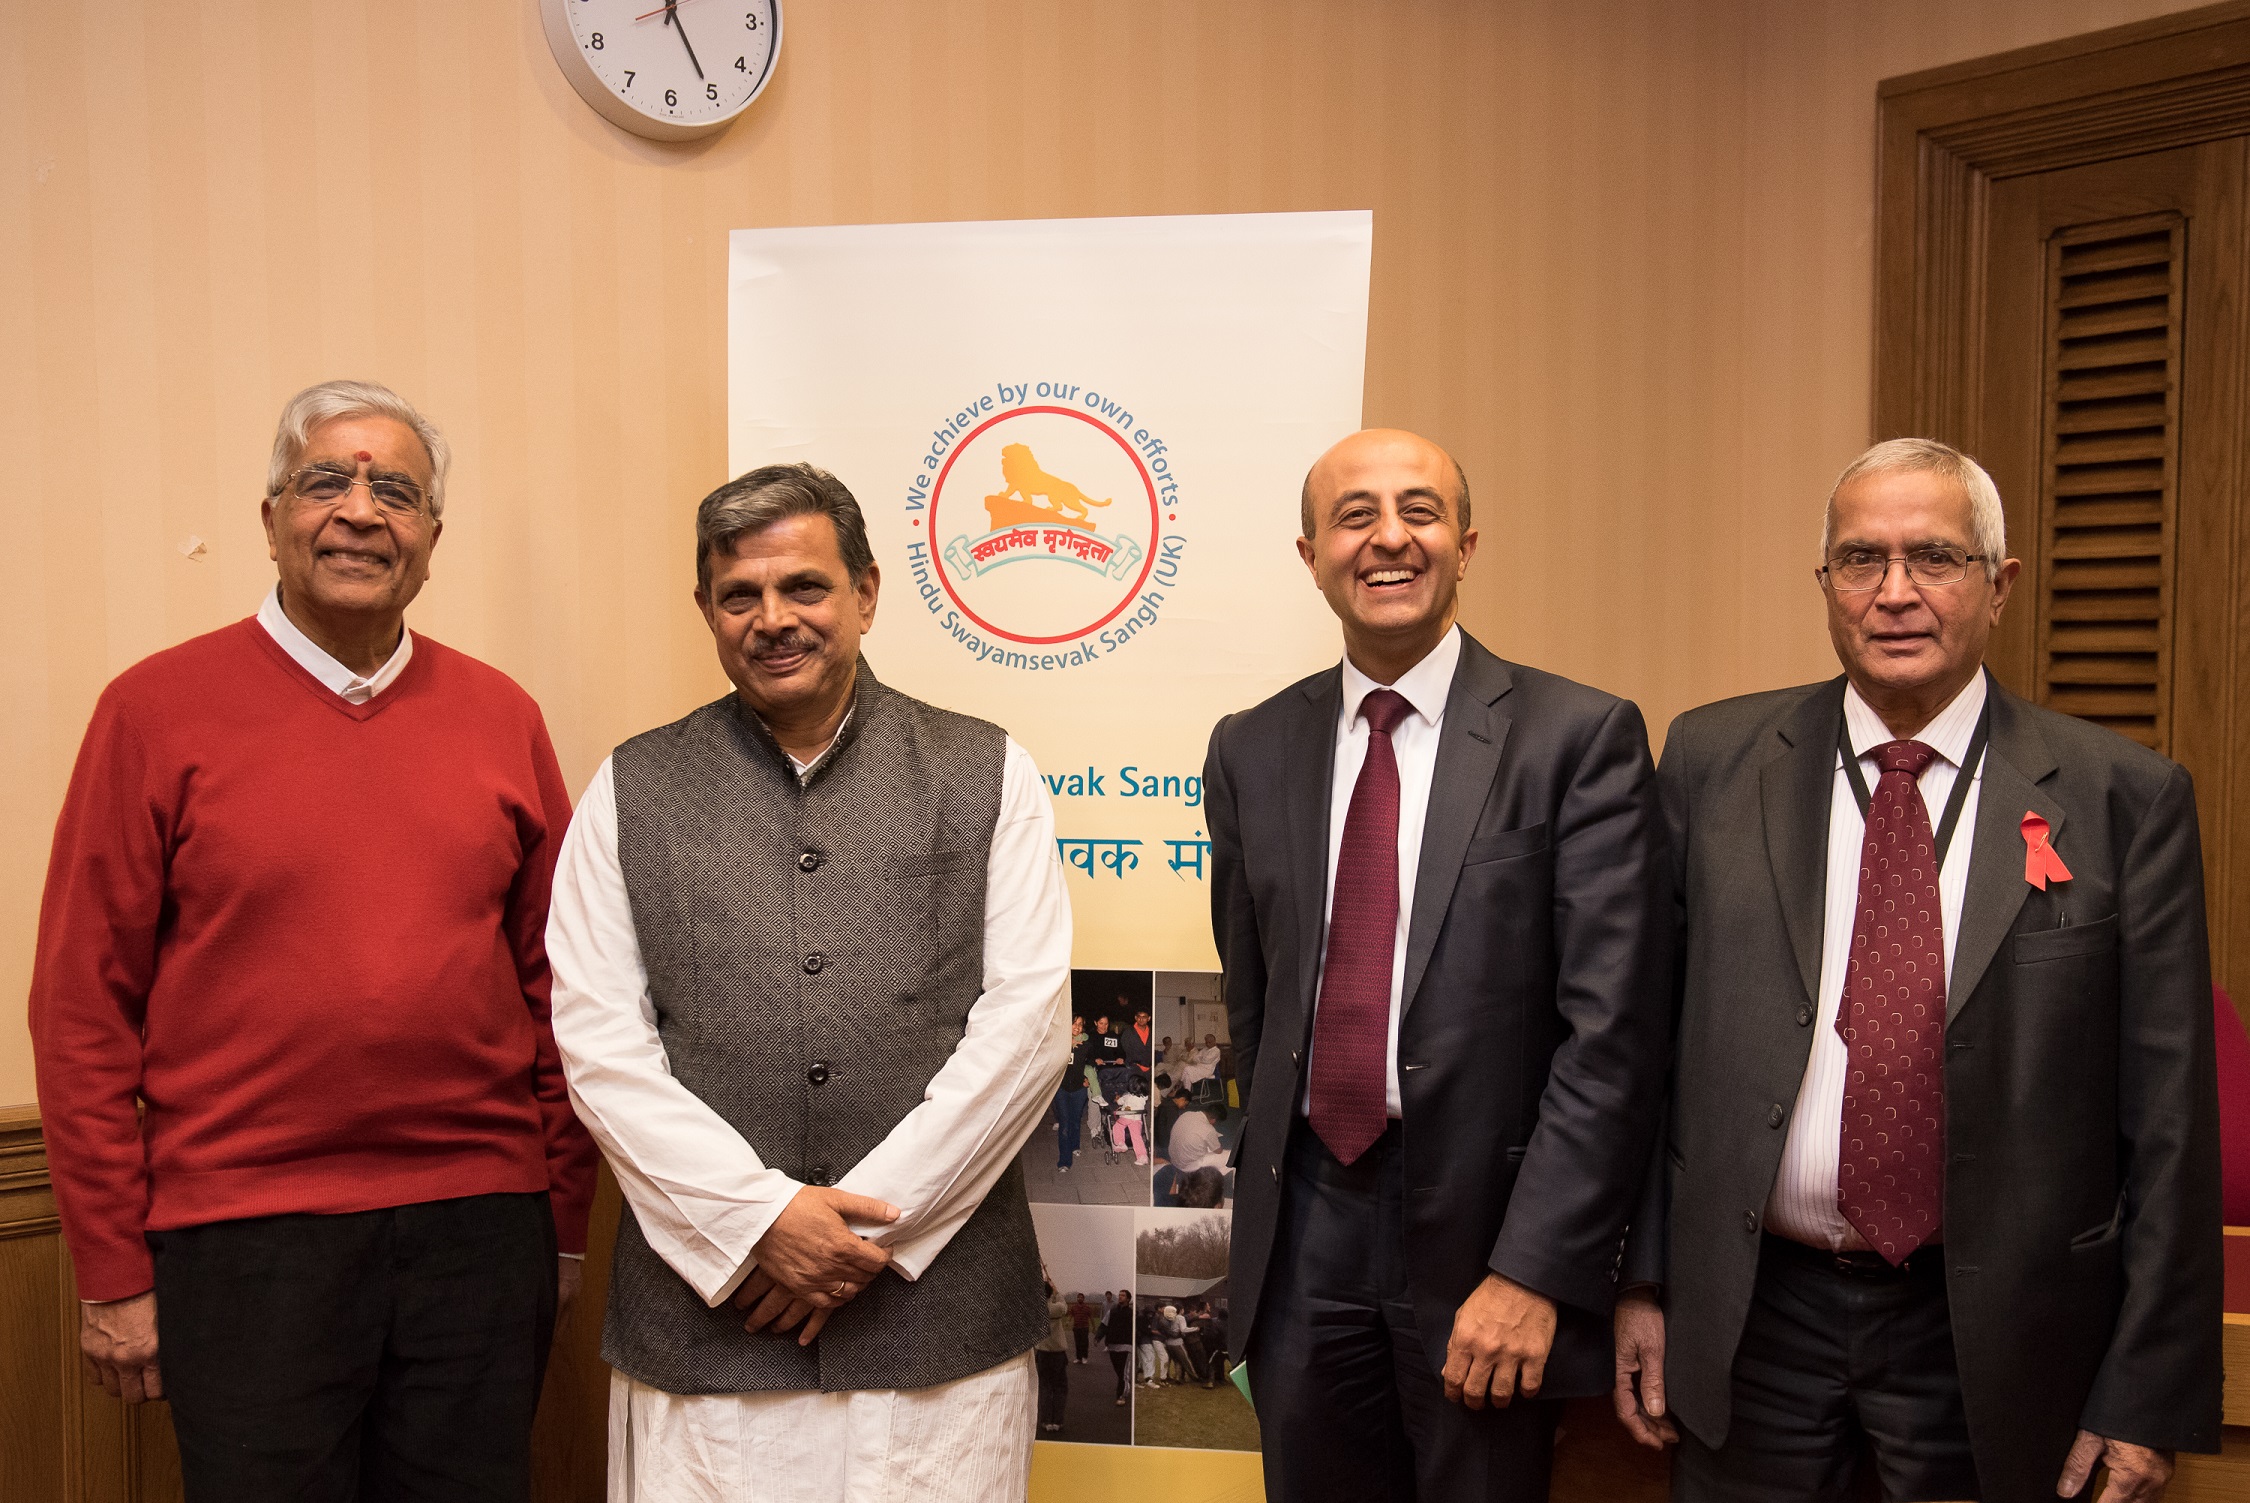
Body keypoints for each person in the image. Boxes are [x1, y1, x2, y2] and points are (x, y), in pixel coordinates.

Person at [1613, 439, 2223, 1503]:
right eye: (1862, 559)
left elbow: (2171, 1123)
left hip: (1993, 1333)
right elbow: (1643, 1050)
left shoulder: (2123, 798)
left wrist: (2147, 1389)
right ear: (1826, 583)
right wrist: (1644, 1278)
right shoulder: (1711, 762)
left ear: (2000, 584)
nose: (1894, 593)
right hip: (1755, 1320)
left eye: (1934, 557)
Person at [29, 379, 600, 1501]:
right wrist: (110, 1268)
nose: (361, 511)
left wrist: (564, 1224)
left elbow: (564, 989)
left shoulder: (503, 716)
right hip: (244, 1243)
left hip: (481, 1236)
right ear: (271, 518)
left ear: (432, 537)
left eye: (398, 492)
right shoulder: (151, 711)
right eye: (325, 481)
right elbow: (81, 1007)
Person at [546, 462, 1072, 1502]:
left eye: (804, 587)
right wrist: (757, 1224)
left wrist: (858, 1234)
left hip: (940, 1328)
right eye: (739, 595)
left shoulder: (987, 769)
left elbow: (1027, 1028)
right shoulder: (631, 786)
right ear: (706, 609)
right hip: (711, 1324)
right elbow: (600, 1044)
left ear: (866, 593)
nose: (773, 619)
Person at [1206, 428, 1672, 1501]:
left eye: (1419, 511)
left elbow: (1614, 1037)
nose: (1389, 538)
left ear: (1466, 545)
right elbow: (1255, 996)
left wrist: (1534, 1268)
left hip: (1487, 1232)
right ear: (1310, 555)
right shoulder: (1251, 746)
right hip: (1306, 1225)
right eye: (1354, 516)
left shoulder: (1577, 738)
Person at [1055, 1016, 1090, 1173]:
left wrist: (1088, 1078)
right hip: (1061, 1089)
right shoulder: (1058, 1044)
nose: (1077, 1027)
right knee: (1065, 1124)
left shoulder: (1085, 1045)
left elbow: (1090, 1064)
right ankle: (1064, 1161)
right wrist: (1068, 1045)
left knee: (1075, 1120)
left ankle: (1075, 1145)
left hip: (1079, 1089)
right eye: (1074, 1023)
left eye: (1080, 1024)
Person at [1036, 1277, 1071, 1436]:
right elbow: (1064, 1306)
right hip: (1057, 1354)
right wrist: (1056, 1291)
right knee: (1060, 1387)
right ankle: (1057, 1421)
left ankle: (1045, 1421)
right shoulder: (1056, 1308)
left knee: (1045, 1387)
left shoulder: (1036, 1309)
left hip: (1043, 1353)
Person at [1168, 1104, 1231, 1176]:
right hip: (1187, 1166)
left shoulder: (1186, 1114)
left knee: (1204, 1143)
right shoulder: (1209, 1130)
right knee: (1230, 1155)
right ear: (1213, 1120)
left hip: (1174, 1158)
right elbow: (1218, 1151)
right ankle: (1211, 1175)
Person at [1104, 1291, 1137, 1404]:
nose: (1120, 1297)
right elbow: (1104, 1324)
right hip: (1113, 1345)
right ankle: (1125, 1385)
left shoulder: (1131, 1313)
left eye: (1123, 1295)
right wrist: (1098, 1337)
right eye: (1119, 1295)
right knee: (1119, 1371)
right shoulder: (1112, 1311)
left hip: (1126, 1345)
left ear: (1128, 1299)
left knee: (1123, 1372)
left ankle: (1121, 1395)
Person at [1069, 1291, 1095, 1364]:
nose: (1079, 1298)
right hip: (1076, 1327)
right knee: (1077, 1343)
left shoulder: (1087, 1308)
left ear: (1083, 1299)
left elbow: (1091, 1317)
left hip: (1084, 1327)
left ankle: (1084, 1357)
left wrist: (1093, 1326)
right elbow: (1071, 1315)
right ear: (1077, 1298)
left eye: (1081, 1297)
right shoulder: (1074, 1307)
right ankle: (1078, 1358)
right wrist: (1068, 1321)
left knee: (1084, 1343)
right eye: (1078, 1297)